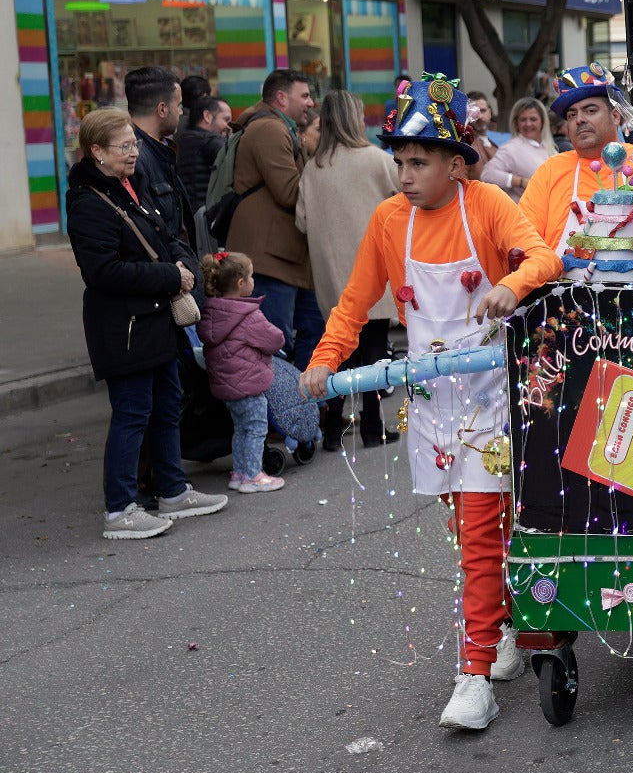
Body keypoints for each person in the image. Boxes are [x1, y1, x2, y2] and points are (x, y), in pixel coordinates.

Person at [299, 73, 564, 730]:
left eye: (418, 161)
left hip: (492, 402)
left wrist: (515, 285)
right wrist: (323, 361)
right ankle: (501, 629)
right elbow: (355, 303)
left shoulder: (489, 206)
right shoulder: (389, 221)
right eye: (400, 161)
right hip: (432, 406)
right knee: (470, 534)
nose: (405, 173)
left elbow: (544, 258)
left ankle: (474, 676)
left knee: (478, 537)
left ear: (455, 164)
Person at [65, 109, 228, 540]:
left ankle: (172, 491)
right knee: (132, 413)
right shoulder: (88, 202)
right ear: (96, 151)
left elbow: (166, 234)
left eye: (134, 144)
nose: (135, 152)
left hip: (153, 320)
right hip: (125, 328)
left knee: (167, 404)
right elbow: (103, 271)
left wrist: (185, 264)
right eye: (125, 146)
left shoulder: (127, 187)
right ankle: (119, 510)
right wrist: (171, 276)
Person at [295, 90, 401, 450]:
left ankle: (332, 431)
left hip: (331, 274)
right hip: (372, 270)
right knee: (373, 352)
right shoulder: (375, 159)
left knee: (339, 353)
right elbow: (407, 196)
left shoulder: (314, 167)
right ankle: (373, 427)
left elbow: (302, 222)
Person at [229, 69, 323, 370]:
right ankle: (282, 415)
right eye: (304, 95)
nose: (310, 102)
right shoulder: (270, 130)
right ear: (281, 98)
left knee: (315, 328)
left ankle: (311, 408)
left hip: (285, 256)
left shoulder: (280, 127)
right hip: (271, 259)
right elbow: (288, 192)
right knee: (276, 346)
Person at [520, 63, 633, 252]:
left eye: (590, 110)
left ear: (615, 116)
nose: (579, 119)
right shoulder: (551, 170)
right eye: (572, 115)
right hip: (559, 280)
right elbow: (525, 241)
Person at [196, 250, 287, 494]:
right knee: (257, 428)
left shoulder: (211, 313)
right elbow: (275, 339)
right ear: (240, 284)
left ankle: (239, 473)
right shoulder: (248, 316)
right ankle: (253, 475)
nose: (253, 281)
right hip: (249, 385)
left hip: (227, 387)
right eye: (251, 277)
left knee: (240, 429)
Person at [125, 65, 198, 251]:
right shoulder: (135, 159)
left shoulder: (159, 150)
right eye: (179, 105)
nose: (181, 112)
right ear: (162, 109)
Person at [480, 96, 553, 203]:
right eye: (523, 119)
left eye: (533, 119)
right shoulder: (511, 148)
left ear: (542, 121)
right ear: (516, 123)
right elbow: (487, 174)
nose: (528, 124)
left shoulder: (548, 148)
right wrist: (521, 182)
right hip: (524, 215)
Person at [176, 95, 232, 213]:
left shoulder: (183, 139)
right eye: (225, 120)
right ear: (207, 116)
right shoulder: (211, 141)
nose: (228, 127)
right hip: (206, 214)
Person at [463, 90, 499, 177]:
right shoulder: (464, 144)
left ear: (490, 112)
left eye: (483, 110)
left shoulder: (495, 143)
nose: (480, 116)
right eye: (474, 112)